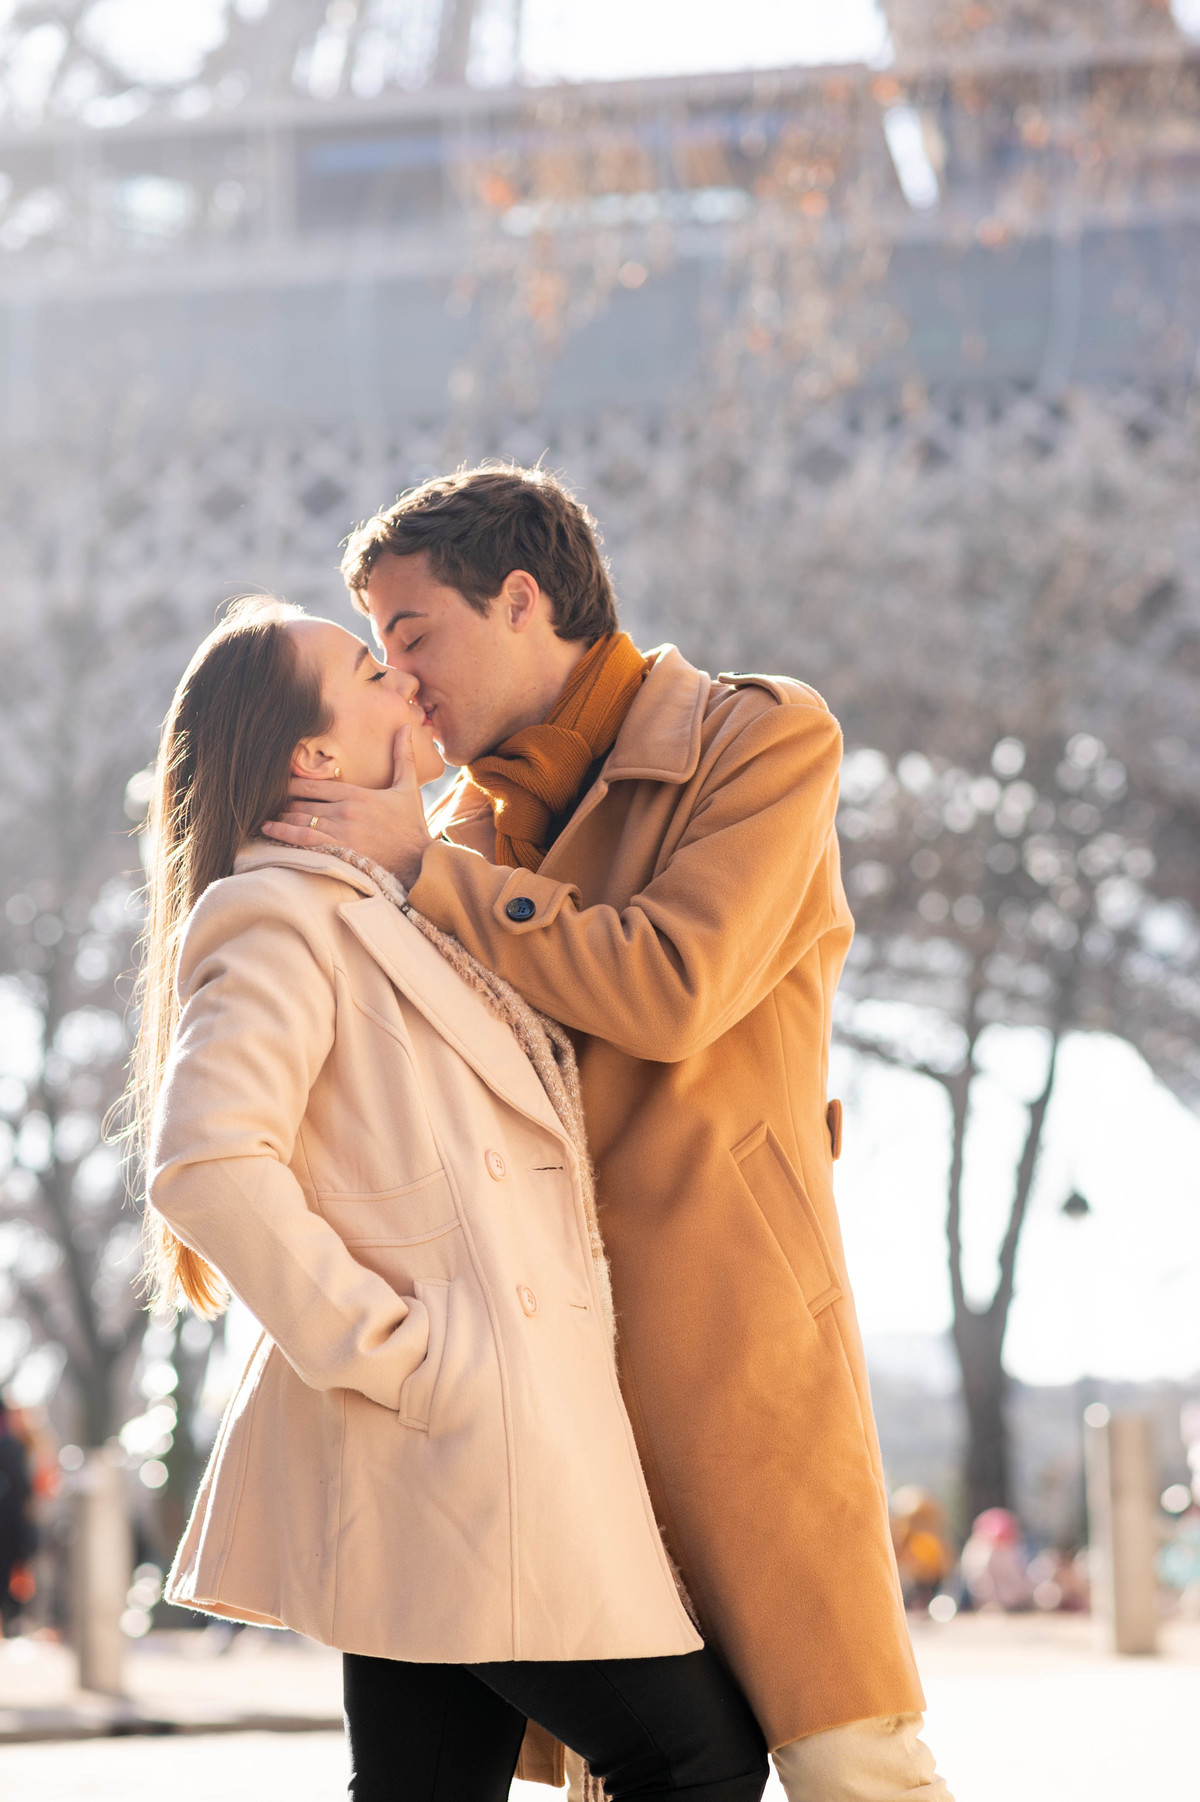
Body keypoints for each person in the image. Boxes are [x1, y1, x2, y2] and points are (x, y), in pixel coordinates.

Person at [264, 464, 956, 1802]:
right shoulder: (456, 826)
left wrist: (423, 871)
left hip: (728, 1346)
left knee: (850, 1761)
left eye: (414, 639)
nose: (399, 687)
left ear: (522, 598)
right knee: (640, 1767)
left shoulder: (756, 741)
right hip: (534, 1374)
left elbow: (673, 982)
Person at [133, 597, 768, 1802]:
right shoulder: (278, 913)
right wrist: (399, 1350)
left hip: (451, 1454)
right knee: (696, 1761)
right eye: (373, 668)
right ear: (314, 756)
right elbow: (208, 1160)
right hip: (458, 1442)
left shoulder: (395, 910)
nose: (407, 685)